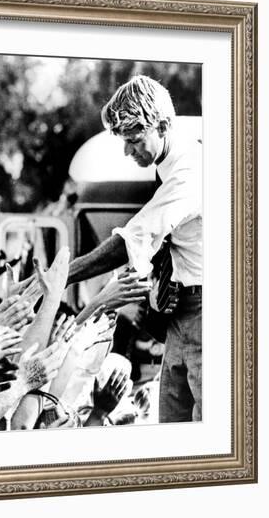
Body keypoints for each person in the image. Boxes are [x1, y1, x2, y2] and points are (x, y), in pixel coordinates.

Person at [67, 74, 202, 423]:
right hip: (179, 316)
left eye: (135, 140)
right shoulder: (168, 167)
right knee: (172, 424)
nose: (129, 152)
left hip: (205, 314)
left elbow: (133, 239)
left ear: (163, 125)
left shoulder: (190, 172)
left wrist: (63, 277)